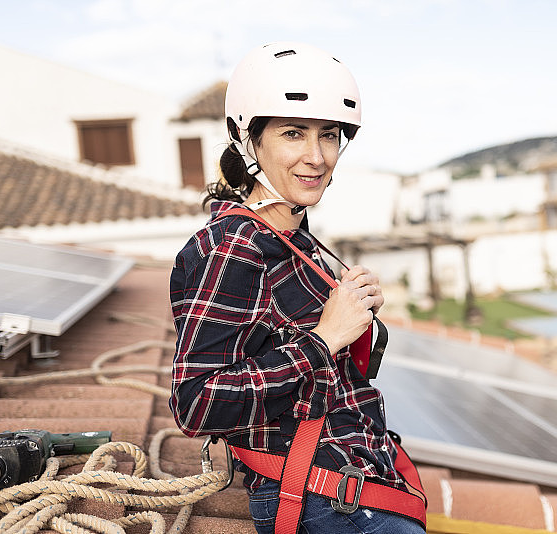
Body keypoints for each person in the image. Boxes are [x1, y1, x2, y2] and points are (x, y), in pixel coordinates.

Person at [169, 42, 426, 534]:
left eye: (329, 136)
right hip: (322, 500)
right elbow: (196, 402)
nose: (316, 156)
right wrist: (325, 338)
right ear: (249, 140)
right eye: (293, 134)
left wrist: (352, 312)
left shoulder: (294, 239)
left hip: (360, 481)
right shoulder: (233, 246)